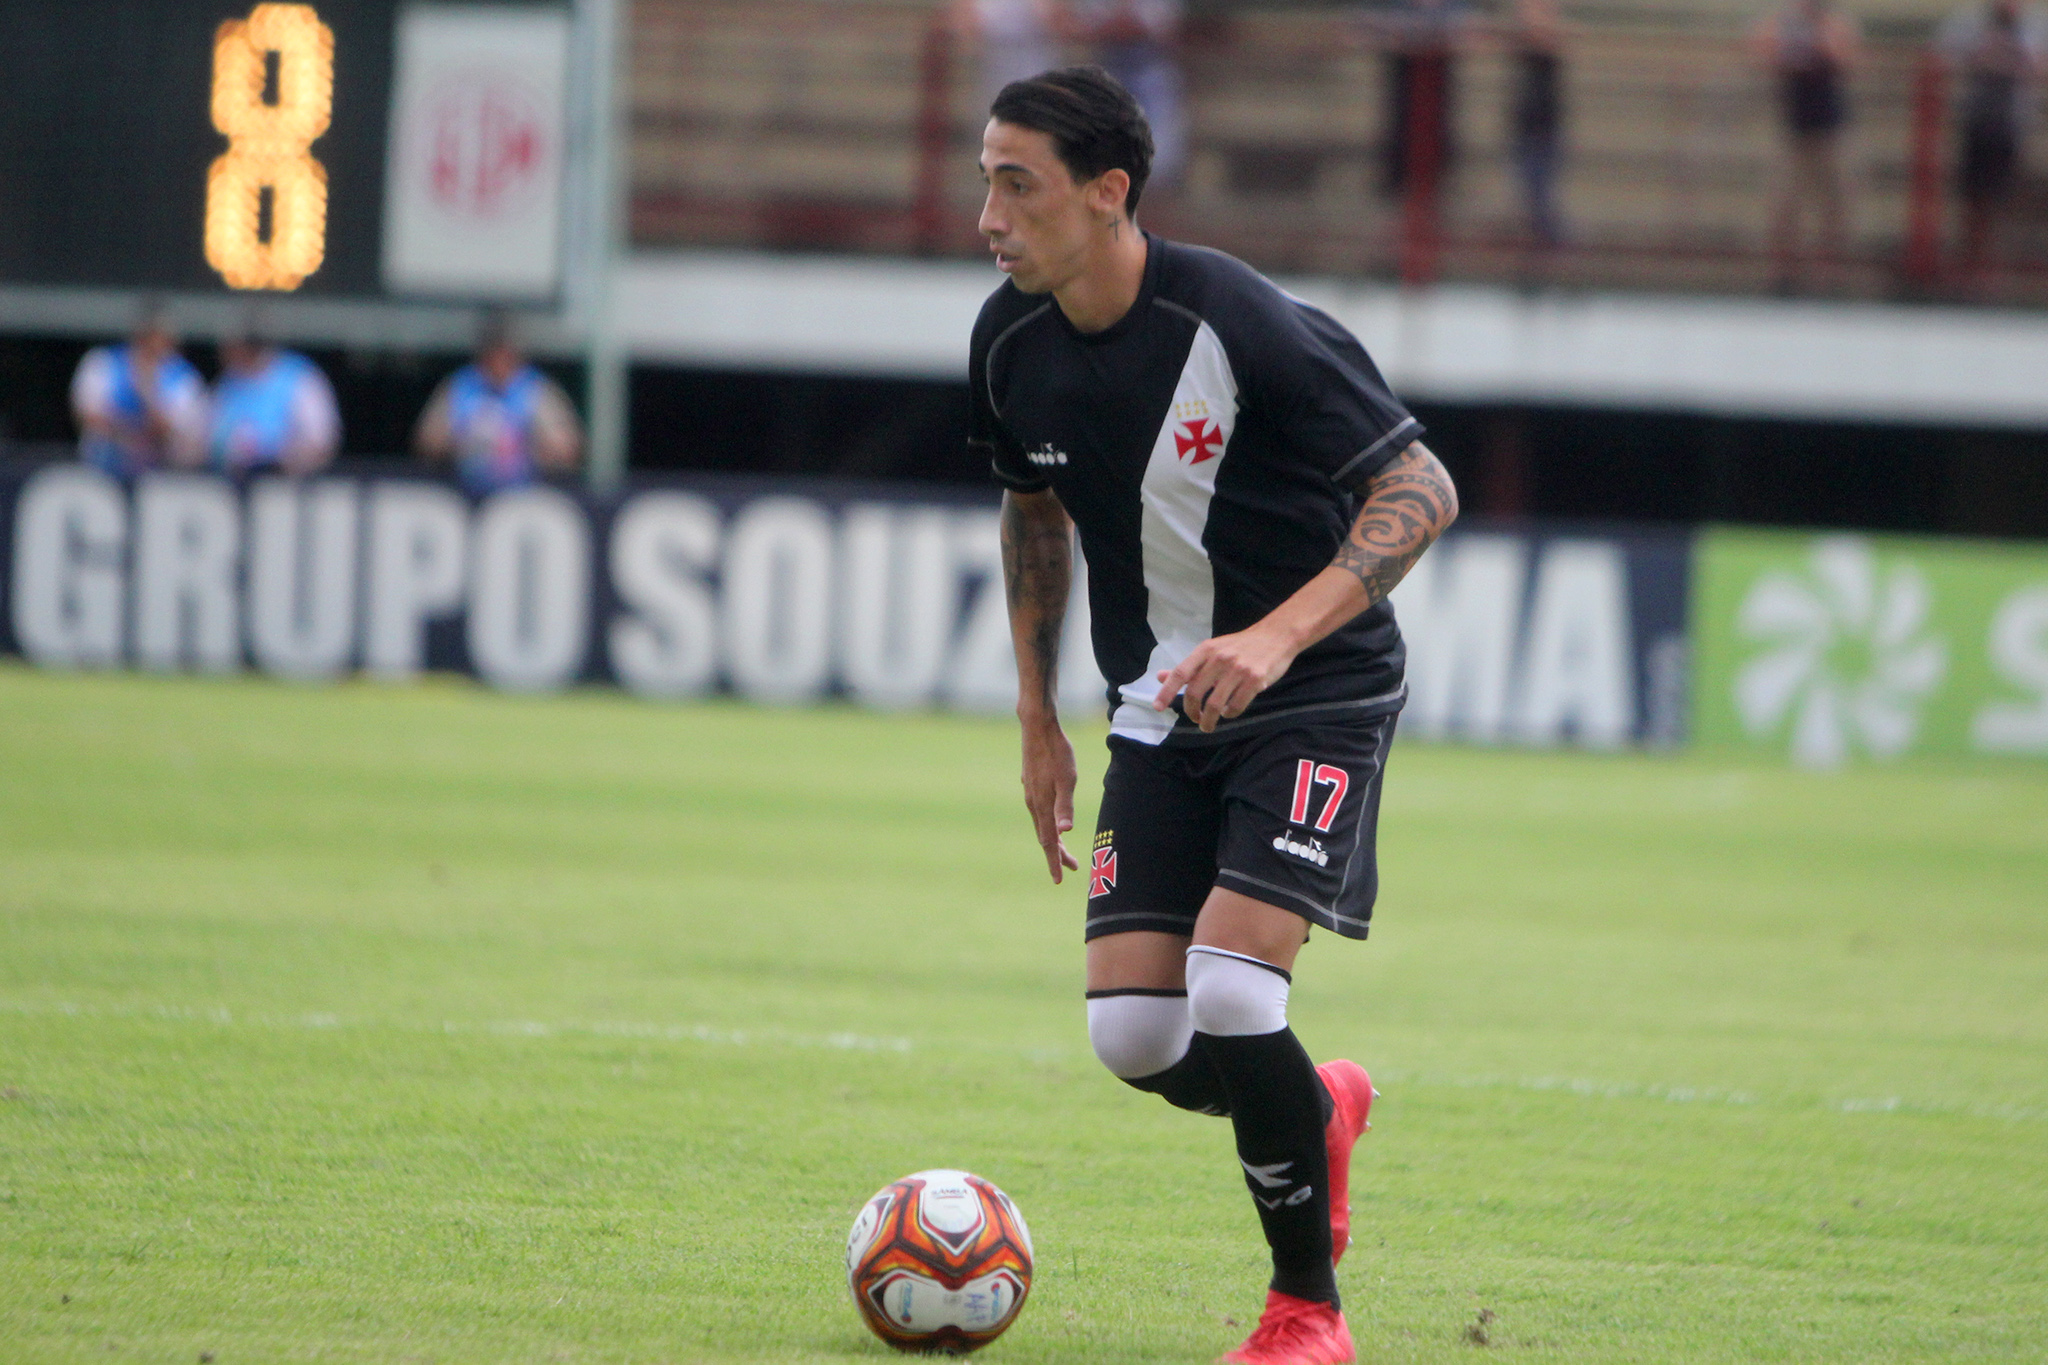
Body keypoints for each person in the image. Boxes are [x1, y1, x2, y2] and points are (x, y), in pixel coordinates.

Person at [972, 67, 1457, 1365]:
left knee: (1234, 990)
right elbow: (1032, 515)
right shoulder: (1007, 344)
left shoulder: (1237, 320)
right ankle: (1319, 1109)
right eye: (985, 182)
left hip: (1316, 690)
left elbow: (1421, 487)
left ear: (1107, 193)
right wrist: (1036, 716)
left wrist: (1275, 636)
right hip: (1158, 709)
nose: (989, 217)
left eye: (1016, 184)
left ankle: (1307, 1313)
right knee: (1133, 1035)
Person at [1751, 0, 1861, 291]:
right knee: (1784, 201)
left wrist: (1817, 44)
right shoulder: (1782, 23)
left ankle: (1829, 272)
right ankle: (1783, 272)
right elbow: (1765, 54)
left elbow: (1843, 58)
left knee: (1835, 201)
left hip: (1831, 128)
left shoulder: (1835, 23)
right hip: (1793, 127)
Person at [414, 312, 583, 496]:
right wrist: (466, 440)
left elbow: (568, 449)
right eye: (493, 353)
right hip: (464, 490)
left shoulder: (535, 388)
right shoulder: (461, 385)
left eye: (505, 353)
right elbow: (427, 442)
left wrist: (525, 444)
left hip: (525, 493)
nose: (499, 361)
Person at [1939, 0, 2048, 282]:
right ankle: (1971, 262)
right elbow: (1946, 57)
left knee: (2006, 194)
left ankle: (1998, 264)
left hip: (2013, 123)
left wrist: (2009, 62)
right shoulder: (1970, 23)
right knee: (1972, 195)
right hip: (1977, 121)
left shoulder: (2034, 27)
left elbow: (2036, 66)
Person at [69, 304, 207, 477]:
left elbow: (179, 431)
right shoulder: (103, 361)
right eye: (150, 337)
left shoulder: (183, 376)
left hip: (161, 469)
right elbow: (87, 414)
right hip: (104, 464)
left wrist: (147, 389)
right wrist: (127, 434)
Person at [1071, 1, 1189, 189]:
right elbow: (1078, 27)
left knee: (1159, 168)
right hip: (1107, 73)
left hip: (1151, 77)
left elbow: (1164, 28)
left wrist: (1118, 26)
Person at [206, 319, 341, 476]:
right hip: (230, 479)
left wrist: (287, 461)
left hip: (286, 481)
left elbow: (321, 441)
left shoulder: (299, 376)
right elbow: (206, 439)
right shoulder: (228, 382)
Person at [1506, 0, 1567, 248]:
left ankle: (1552, 241)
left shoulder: (1550, 41)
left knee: (1539, 190)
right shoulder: (1522, 44)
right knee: (1529, 189)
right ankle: (1544, 240)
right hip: (1526, 122)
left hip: (1543, 124)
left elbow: (1545, 38)